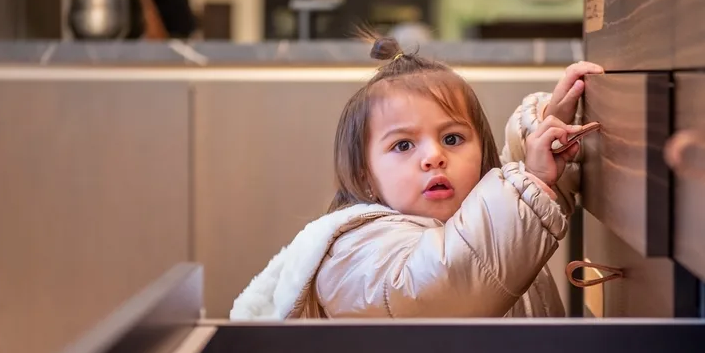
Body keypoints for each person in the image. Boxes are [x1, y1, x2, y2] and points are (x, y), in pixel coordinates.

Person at [231, 37, 603, 320]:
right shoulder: (352, 254)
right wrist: (532, 179)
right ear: (366, 175)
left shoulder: (490, 218)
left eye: (452, 139)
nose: (433, 157)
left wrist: (548, 136)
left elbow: (501, 217)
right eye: (404, 145)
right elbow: (446, 279)